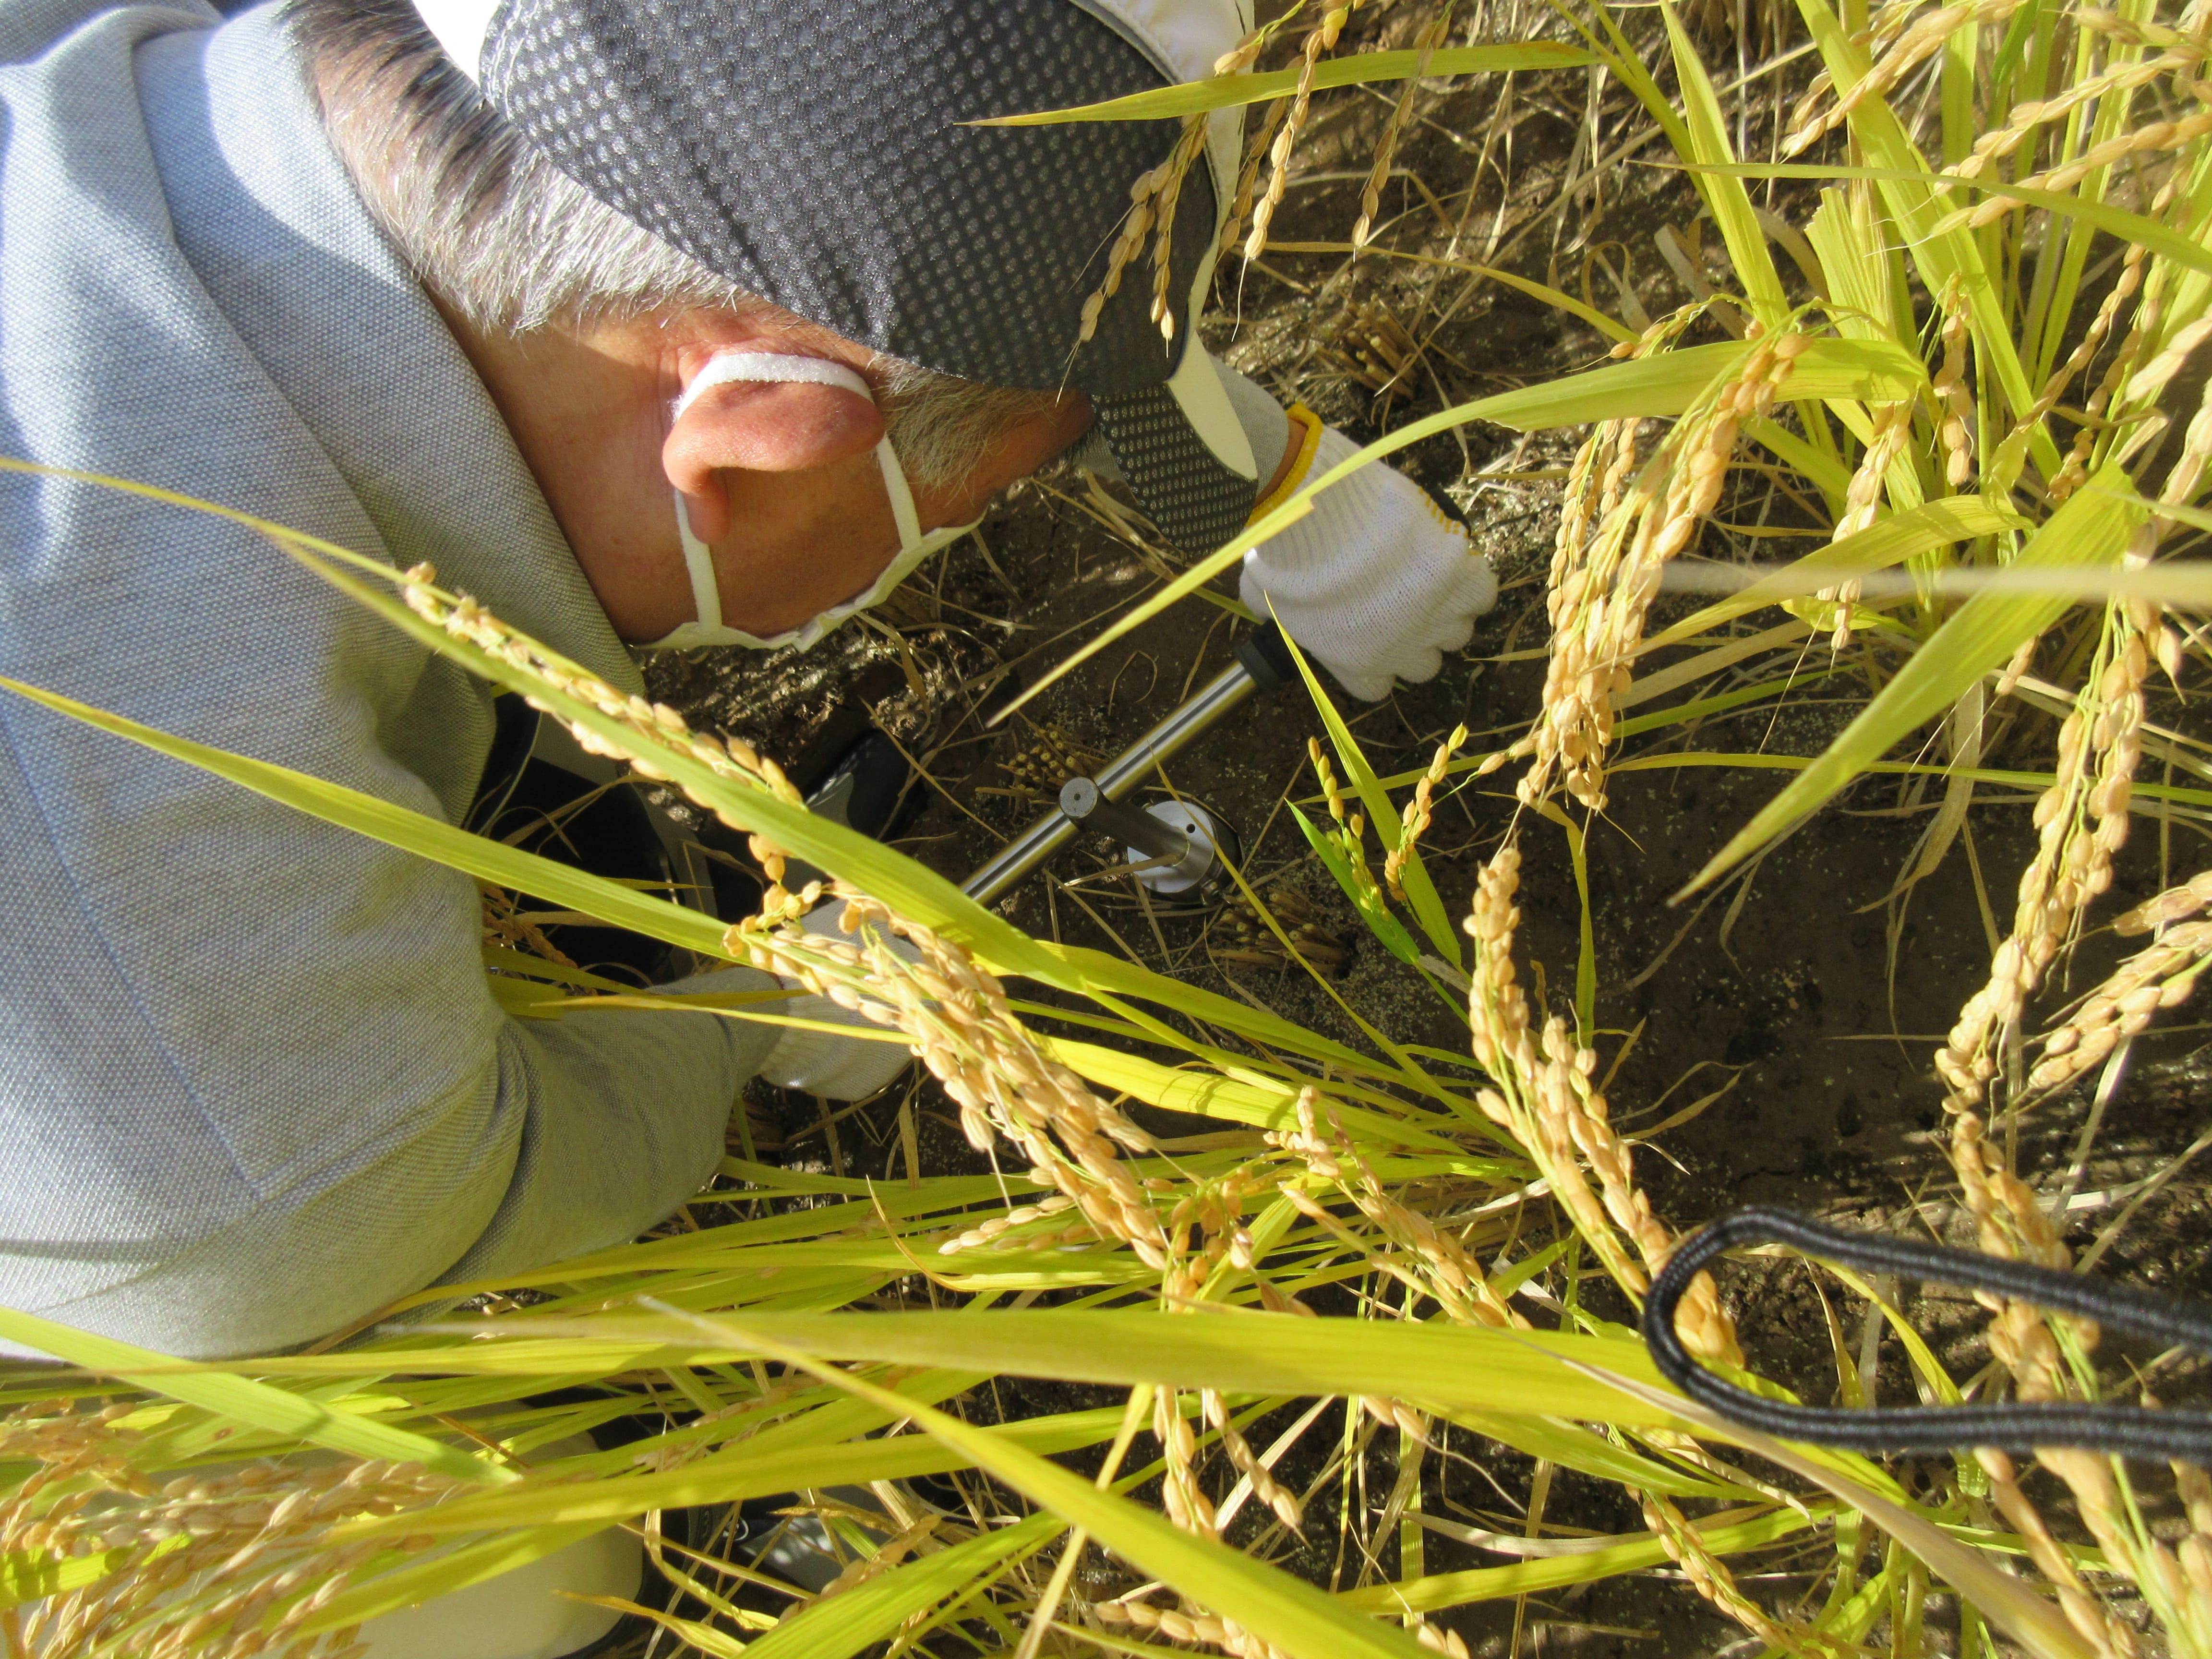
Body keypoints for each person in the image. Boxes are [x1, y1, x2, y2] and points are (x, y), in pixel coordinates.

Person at [0, 0, 1496, 1370]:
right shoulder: (237, 1118)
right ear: (744, 446)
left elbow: (959, 286)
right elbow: (435, 1188)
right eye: (981, 503)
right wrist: (748, 1018)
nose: (976, 517)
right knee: (514, 1590)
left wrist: (1269, 485)